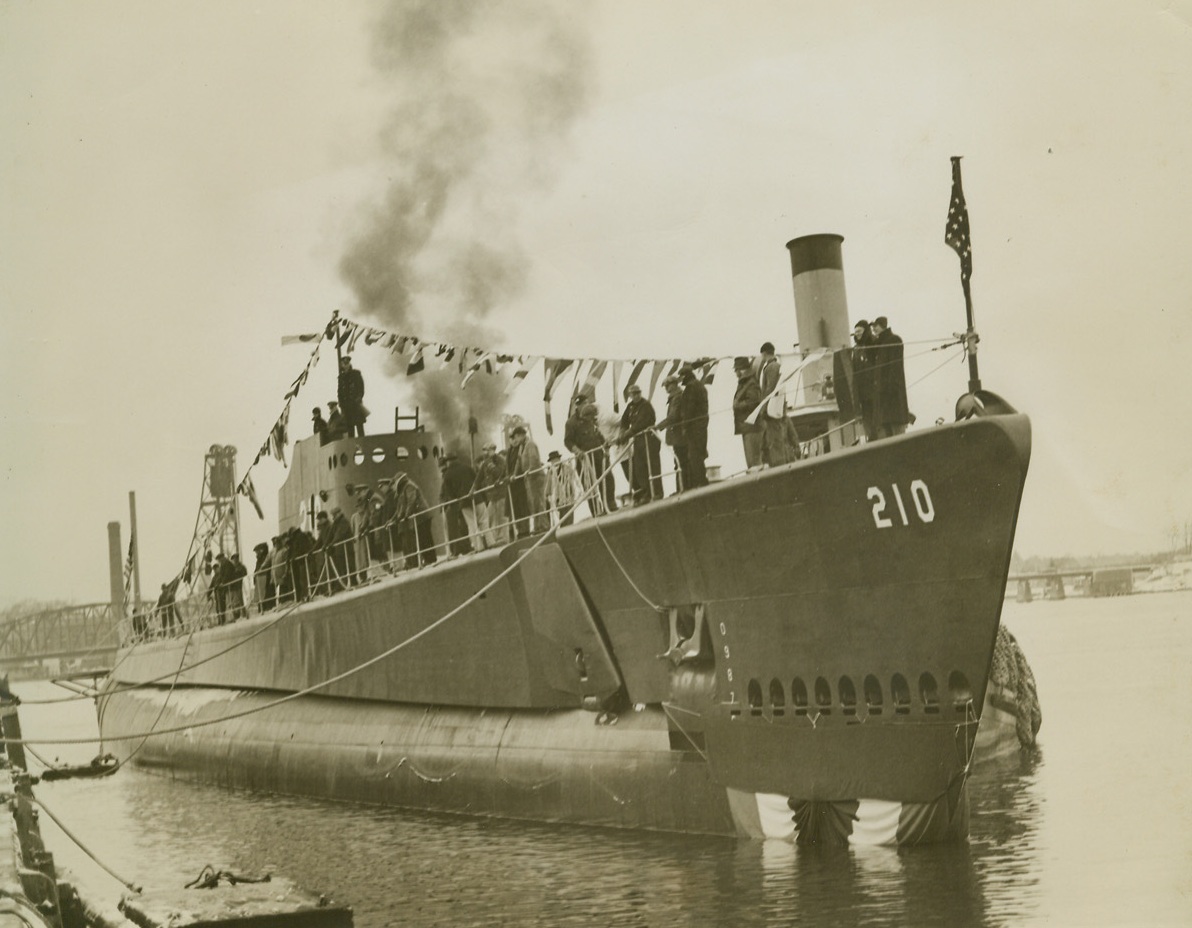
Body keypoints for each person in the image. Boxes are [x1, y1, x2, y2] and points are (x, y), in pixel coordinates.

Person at [620, 384, 663, 503]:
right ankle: (647, 493)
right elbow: (624, 421)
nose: (636, 395)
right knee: (640, 468)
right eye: (633, 394)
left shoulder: (646, 405)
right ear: (630, 395)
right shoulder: (630, 407)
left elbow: (640, 423)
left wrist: (627, 434)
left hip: (649, 439)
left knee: (652, 466)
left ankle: (657, 492)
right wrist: (622, 432)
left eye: (637, 393)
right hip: (638, 441)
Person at [869, 316, 910, 438]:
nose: (874, 329)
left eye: (875, 326)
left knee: (897, 435)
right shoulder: (880, 344)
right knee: (888, 435)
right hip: (884, 400)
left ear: (883, 325)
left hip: (892, 397)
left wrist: (889, 389)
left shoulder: (894, 340)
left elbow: (894, 369)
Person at [573, 403, 617, 514]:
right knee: (590, 486)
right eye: (592, 416)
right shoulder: (577, 428)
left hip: (598, 458)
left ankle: (610, 504)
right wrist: (578, 451)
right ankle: (596, 511)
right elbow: (570, 442)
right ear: (587, 416)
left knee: (608, 479)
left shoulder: (594, 426)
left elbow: (600, 438)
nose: (594, 418)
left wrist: (606, 444)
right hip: (586, 461)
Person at [507, 425, 547, 536]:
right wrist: (514, 474)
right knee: (532, 503)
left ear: (521, 435)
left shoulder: (530, 445)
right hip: (529, 478)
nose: (515, 440)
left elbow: (534, 459)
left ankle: (543, 525)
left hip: (536, 477)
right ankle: (537, 526)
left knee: (539, 501)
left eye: (516, 437)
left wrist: (530, 470)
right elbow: (519, 462)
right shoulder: (521, 447)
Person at [393, 472, 437, 568]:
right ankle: (429, 559)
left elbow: (411, 501)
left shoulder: (409, 486)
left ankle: (431, 559)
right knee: (422, 538)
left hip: (422, 515)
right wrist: (398, 517)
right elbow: (403, 505)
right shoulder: (405, 488)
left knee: (425, 537)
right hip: (419, 517)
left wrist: (406, 515)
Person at [471, 442, 509, 549]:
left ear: (493, 450)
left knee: (502, 517)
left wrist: (492, 467)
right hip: (492, 496)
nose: (486, 453)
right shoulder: (485, 463)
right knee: (490, 516)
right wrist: (473, 489)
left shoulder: (500, 460)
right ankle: (494, 540)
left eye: (487, 450)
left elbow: (500, 473)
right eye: (484, 451)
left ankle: (503, 539)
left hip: (501, 493)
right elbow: (479, 478)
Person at [757, 342, 789, 467]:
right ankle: (779, 462)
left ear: (764, 354)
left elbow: (770, 388)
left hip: (772, 408)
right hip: (777, 406)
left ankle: (779, 464)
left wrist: (763, 408)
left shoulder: (771, 367)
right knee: (775, 438)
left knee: (775, 439)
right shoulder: (777, 366)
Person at [438, 453, 476, 556]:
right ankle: (463, 548)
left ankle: (458, 550)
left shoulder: (447, 474)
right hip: (454, 503)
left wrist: (446, 503)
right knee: (461, 527)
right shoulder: (450, 473)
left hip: (453, 505)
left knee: (456, 529)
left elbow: (447, 491)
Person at [677, 365, 709, 488]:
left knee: (694, 454)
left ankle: (700, 481)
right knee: (698, 452)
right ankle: (701, 480)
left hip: (694, 426)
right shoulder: (699, 385)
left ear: (685, 376)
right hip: (701, 424)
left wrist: (684, 426)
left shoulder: (691, 387)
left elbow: (689, 409)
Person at [655, 374, 686, 492]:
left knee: (681, 462)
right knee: (680, 462)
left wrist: (659, 426)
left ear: (674, 385)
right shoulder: (675, 397)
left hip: (679, 435)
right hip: (678, 435)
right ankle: (682, 487)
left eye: (668, 385)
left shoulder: (677, 397)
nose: (666, 388)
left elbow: (673, 416)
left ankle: (682, 488)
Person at [731, 356, 764, 469]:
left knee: (754, 463)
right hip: (747, 427)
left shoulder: (751, 383)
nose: (735, 373)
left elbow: (754, 402)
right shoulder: (746, 383)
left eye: (736, 370)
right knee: (752, 463)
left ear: (740, 369)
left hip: (752, 427)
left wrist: (737, 405)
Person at [850, 320, 877, 440]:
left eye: (859, 331)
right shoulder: (855, 351)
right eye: (855, 332)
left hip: (875, 392)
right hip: (864, 396)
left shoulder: (872, 345)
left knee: (877, 425)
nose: (857, 334)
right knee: (869, 427)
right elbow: (854, 376)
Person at [545, 450, 579, 526]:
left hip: (568, 495)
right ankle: (564, 527)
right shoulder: (550, 472)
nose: (554, 461)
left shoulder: (566, 467)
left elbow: (572, 476)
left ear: (559, 459)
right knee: (562, 515)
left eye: (555, 459)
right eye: (552, 460)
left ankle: (569, 527)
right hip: (558, 498)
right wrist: (547, 495)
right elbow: (548, 484)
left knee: (569, 513)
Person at [337, 356, 368, 437]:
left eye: (347, 363)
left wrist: (359, 398)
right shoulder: (341, 377)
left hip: (355, 405)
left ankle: (362, 447)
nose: (346, 365)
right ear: (342, 365)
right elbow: (339, 392)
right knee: (350, 430)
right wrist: (341, 404)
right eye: (344, 363)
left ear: (349, 363)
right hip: (346, 407)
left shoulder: (356, 374)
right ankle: (352, 448)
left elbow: (361, 388)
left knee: (359, 428)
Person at [252, 542, 272, 613]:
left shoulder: (264, 558)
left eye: (257, 551)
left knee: (266, 594)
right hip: (260, 581)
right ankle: (261, 609)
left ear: (261, 550)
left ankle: (266, 608)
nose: (256, 554)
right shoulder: (259, 560)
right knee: (261, 597)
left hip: (265, 579)